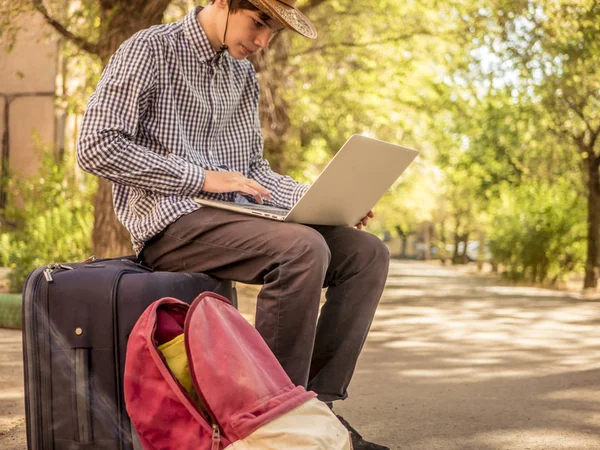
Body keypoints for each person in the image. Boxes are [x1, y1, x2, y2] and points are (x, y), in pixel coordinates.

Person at [77, 1, 390, 448]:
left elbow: (253, 172)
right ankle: (270, 421)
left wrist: (326, 200)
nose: (263, 41)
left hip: (233, 219)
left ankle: (317, 412)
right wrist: (199, 178)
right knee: (302, 249)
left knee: (367, 253)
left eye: (273, 31)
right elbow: (96, 146)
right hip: (169, 222)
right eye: (259, 22)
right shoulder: (150, 49)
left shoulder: (240, 74)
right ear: (223, 2)